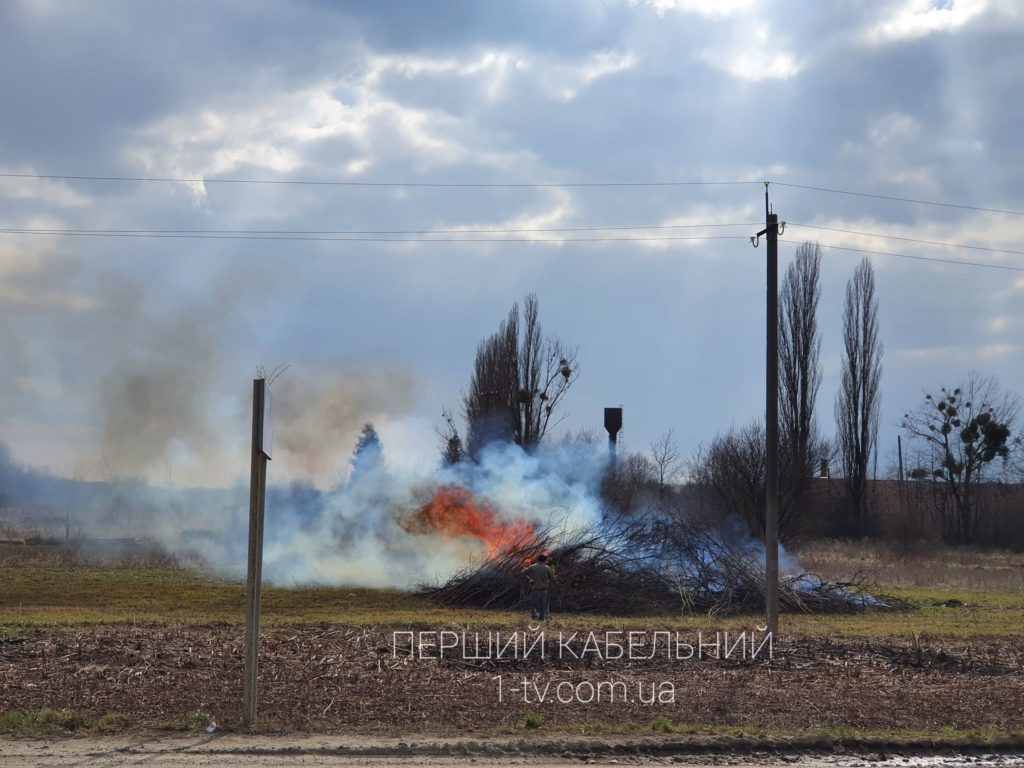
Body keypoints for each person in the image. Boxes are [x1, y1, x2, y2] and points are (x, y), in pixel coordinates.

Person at [522, 553, 554, 621]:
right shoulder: (547, 568)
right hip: (544, 590)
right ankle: (541, 619)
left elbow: (523, 573)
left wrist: (529, 579)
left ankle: (535, 615)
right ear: (545, 560)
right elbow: (552, 579)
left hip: (535, 589)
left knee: (533, 605)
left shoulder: (532, 567)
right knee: (543, 606)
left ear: (538, 559)